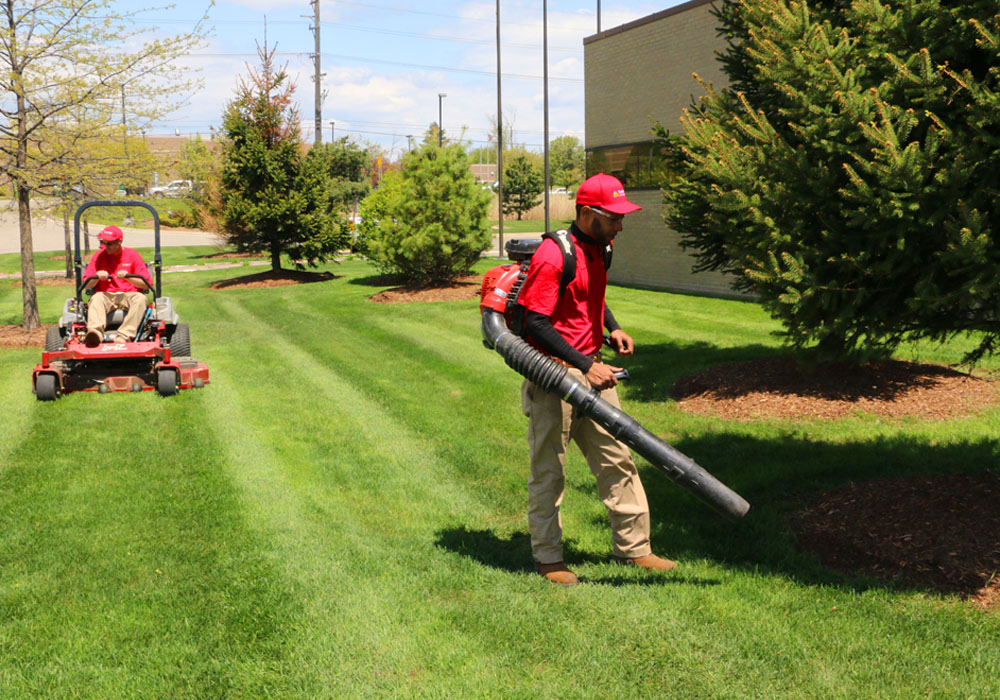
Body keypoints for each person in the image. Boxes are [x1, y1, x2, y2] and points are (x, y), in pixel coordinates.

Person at [517, 173, 677, 586]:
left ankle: (635, 549)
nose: (621, 225)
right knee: (550, 469)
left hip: (593, 370)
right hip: (554, 375)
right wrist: (585, 366)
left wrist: (612, 327)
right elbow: (535, 322)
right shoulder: (554, 255)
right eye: (614, 217)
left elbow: (593, 295)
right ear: (588, 213)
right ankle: (548, 558)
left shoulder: (602, 247)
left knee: (618, 460)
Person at [82, 225, 152, 347]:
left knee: (141, 299)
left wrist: (128, 277)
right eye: (103, 243)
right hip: (106, 295)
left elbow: (146, 284)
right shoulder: (98, 256)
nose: (106, 246)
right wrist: (96, 277)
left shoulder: (132, 255)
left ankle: (124, 336)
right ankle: (95, 333)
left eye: (109, 243)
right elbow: (87, 284)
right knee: (96, 298)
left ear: (119, 242)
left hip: (129, 294)